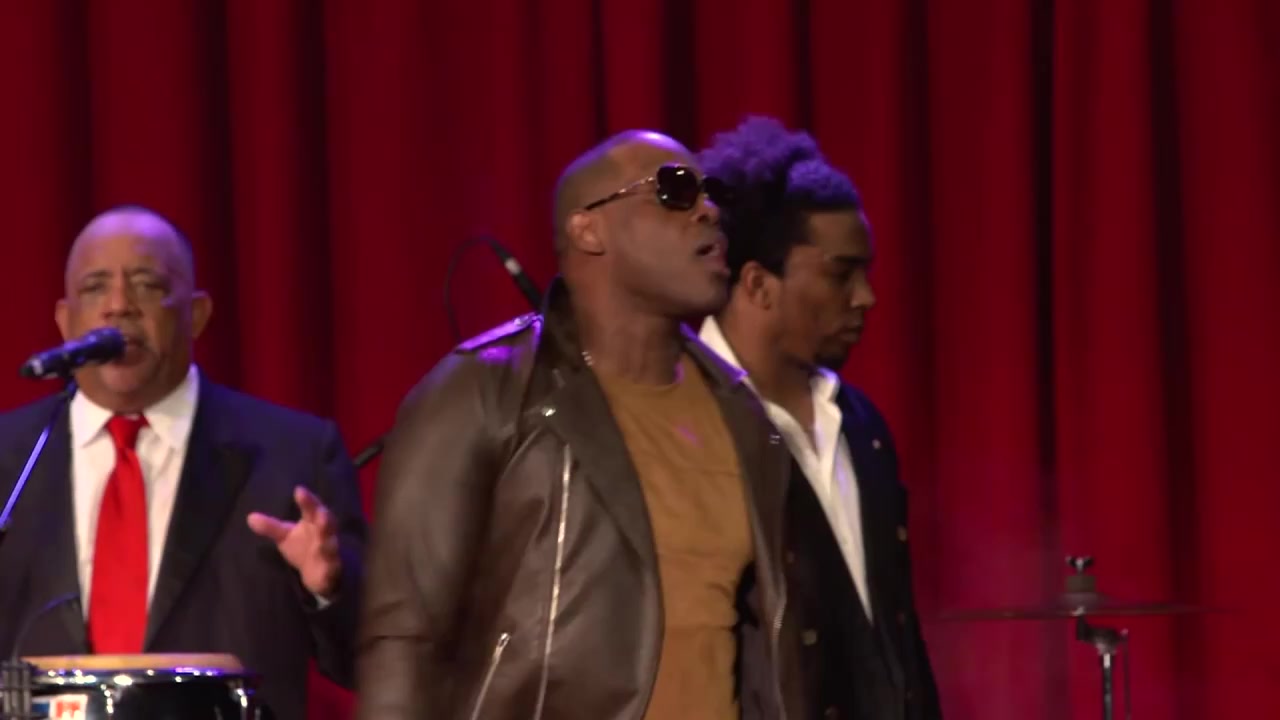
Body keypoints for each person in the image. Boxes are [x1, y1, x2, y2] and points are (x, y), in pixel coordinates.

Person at [357, 131, 819, 719]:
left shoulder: (744, 415)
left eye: (712, 193)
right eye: (675, 190)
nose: (708, 210)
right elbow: (403, 638)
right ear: (588, 230)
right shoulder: (486, 389)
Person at [0, 206, 366, 720]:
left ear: (196, 313)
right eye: (95, 288)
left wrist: (328, 590)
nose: (119, 306)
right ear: (66, 321)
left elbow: (368, 660)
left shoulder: (293, 454)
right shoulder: (10, 459)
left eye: (147, 285)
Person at [696, 116, 944, 719]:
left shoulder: (861, 427)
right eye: (840, 274)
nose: (866, 297)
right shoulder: (686, 424)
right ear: (758, 283)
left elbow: (896, 639)